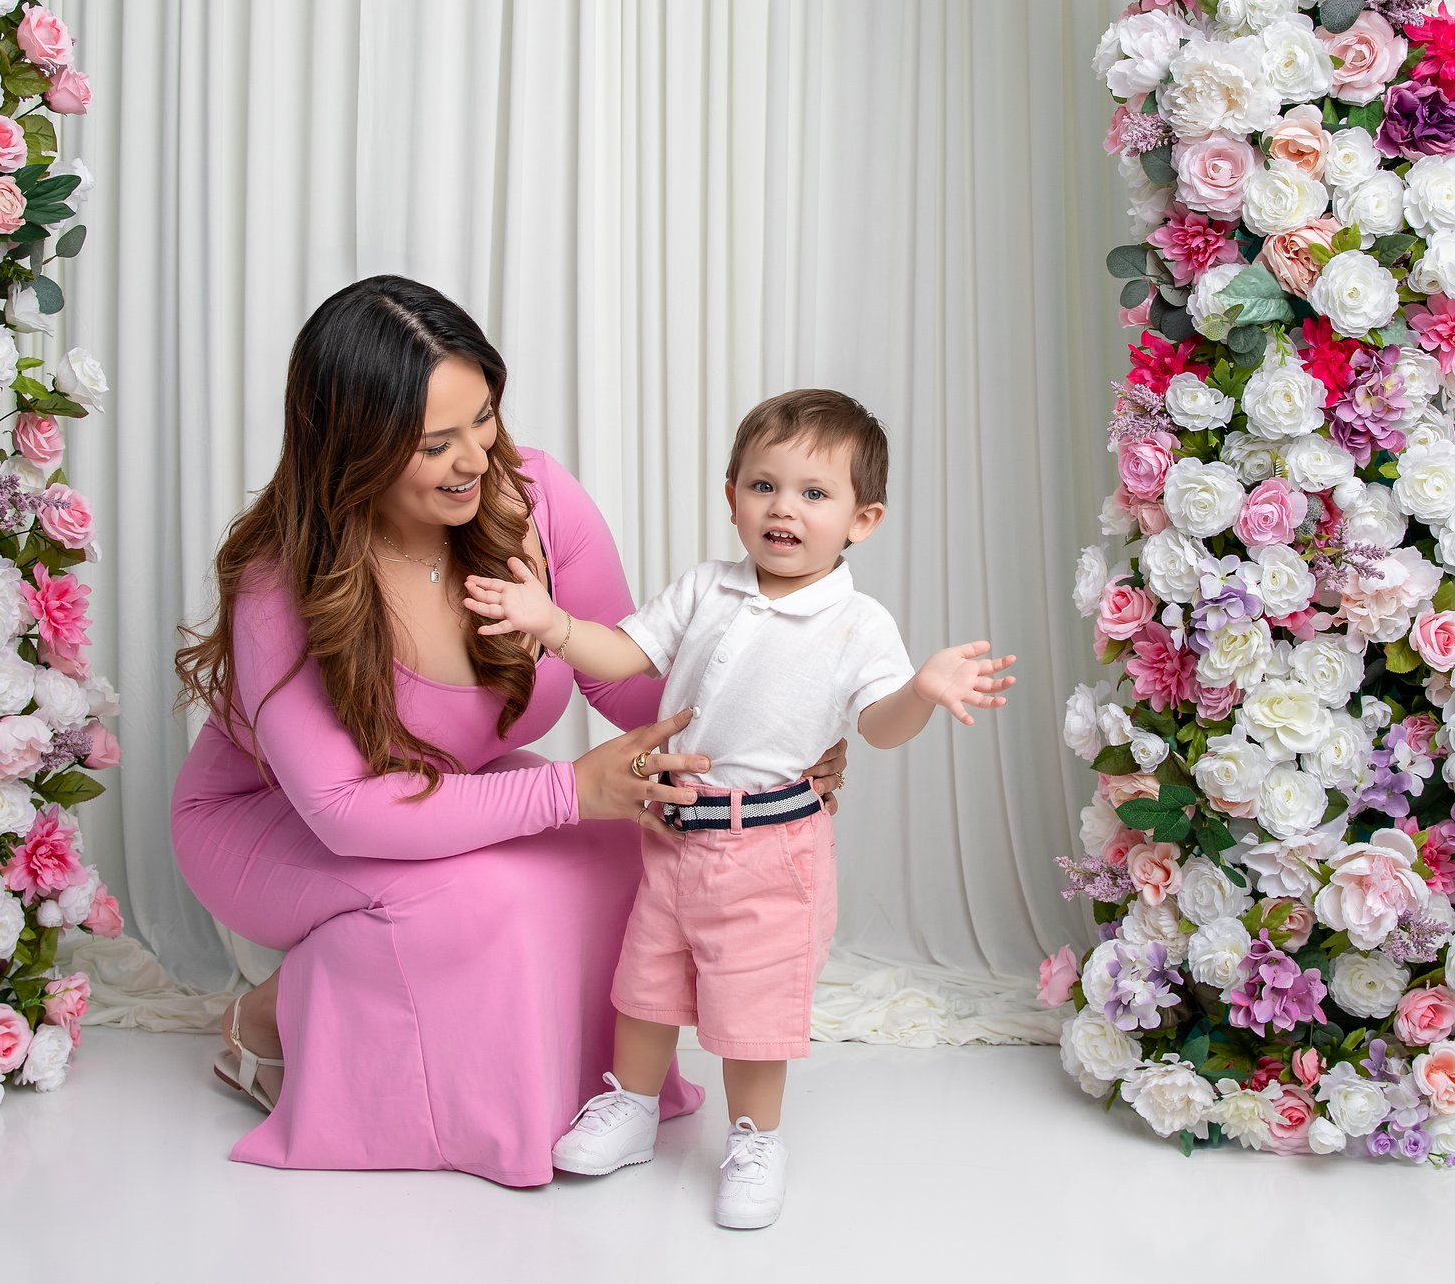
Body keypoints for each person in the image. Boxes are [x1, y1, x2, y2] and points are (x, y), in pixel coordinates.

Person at [168, 277, 852, 1187]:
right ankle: (271, 1024)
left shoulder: (536, 496)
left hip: (442, 789)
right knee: (472, 899)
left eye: (482, 418)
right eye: (432, 444)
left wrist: (768, 736)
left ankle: (583, 1103)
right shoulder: (278, 577)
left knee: (632, 842)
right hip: (271, 818)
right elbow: (341, 808)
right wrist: (570, 789)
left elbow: (629, 677)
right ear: (353, 445)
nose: (472, 460)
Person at [464, 389, 1017, 1226]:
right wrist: (552, 622)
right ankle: (633, 1105)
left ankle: (757, 1138)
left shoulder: (858, 623)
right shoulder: (706, 588)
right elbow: (623, 652)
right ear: (732, 498)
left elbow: (877, 726)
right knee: (645, 985)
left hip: (771, 852)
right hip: (674, 835)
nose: (783, 508)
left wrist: (923, 692)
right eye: (764, 486)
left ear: (863, 519)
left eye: (813, 493)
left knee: (753, 1009)